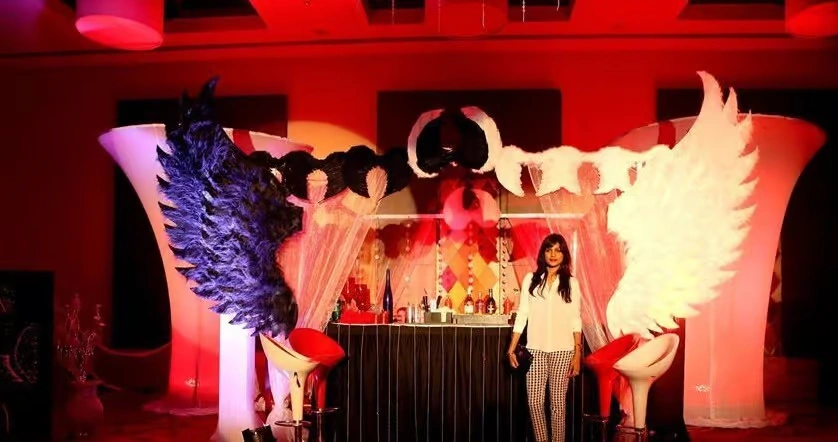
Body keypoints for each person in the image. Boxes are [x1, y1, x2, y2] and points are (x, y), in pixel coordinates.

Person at [507, 233, 582, 442]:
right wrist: (511, 348)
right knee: (534, 402)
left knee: (558, 405)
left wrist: (577, 353)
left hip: (563, 350)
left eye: (558, 250)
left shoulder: (571, 283)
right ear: (543, 253)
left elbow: (576, 318)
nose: (553, 254)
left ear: (564, 254)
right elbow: (522, 314)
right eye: (549, 249)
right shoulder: (531, 280)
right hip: (535, 350)